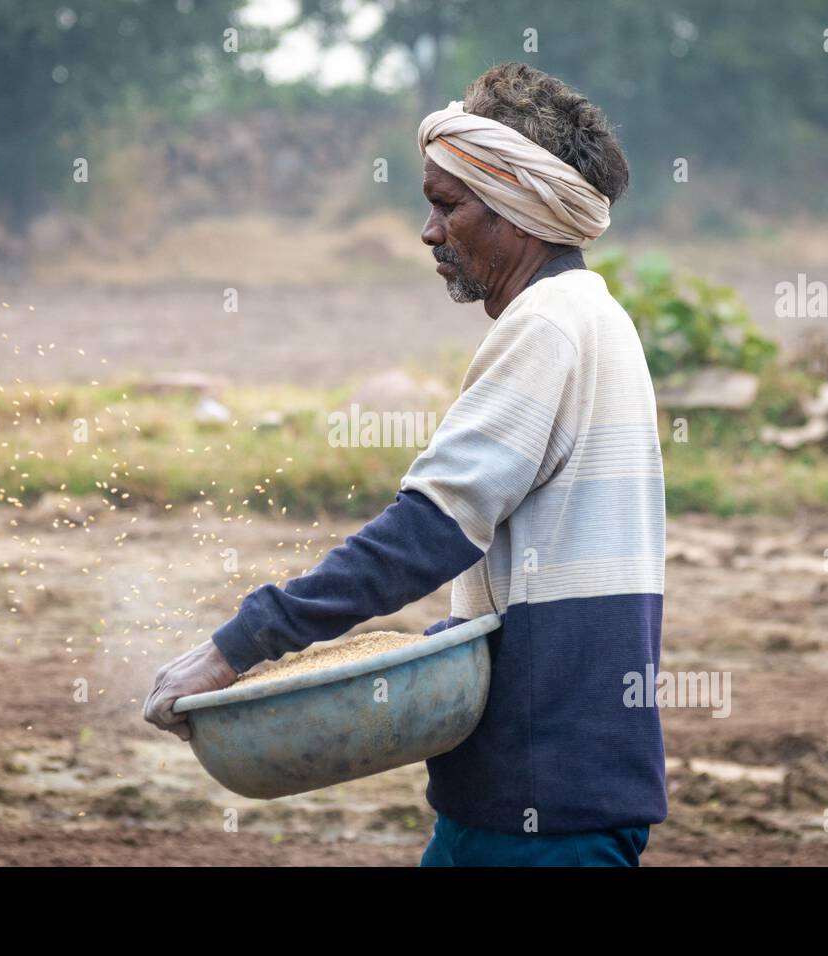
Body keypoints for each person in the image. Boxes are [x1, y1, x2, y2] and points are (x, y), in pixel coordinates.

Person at [144, 62, 666, 867]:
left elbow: (430, 529)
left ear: (520, 211)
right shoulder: (595, 320)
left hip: (544, 806)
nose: (429, 232)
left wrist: (238, 645)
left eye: (447, 205)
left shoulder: (549, 330)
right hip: (518, 792)